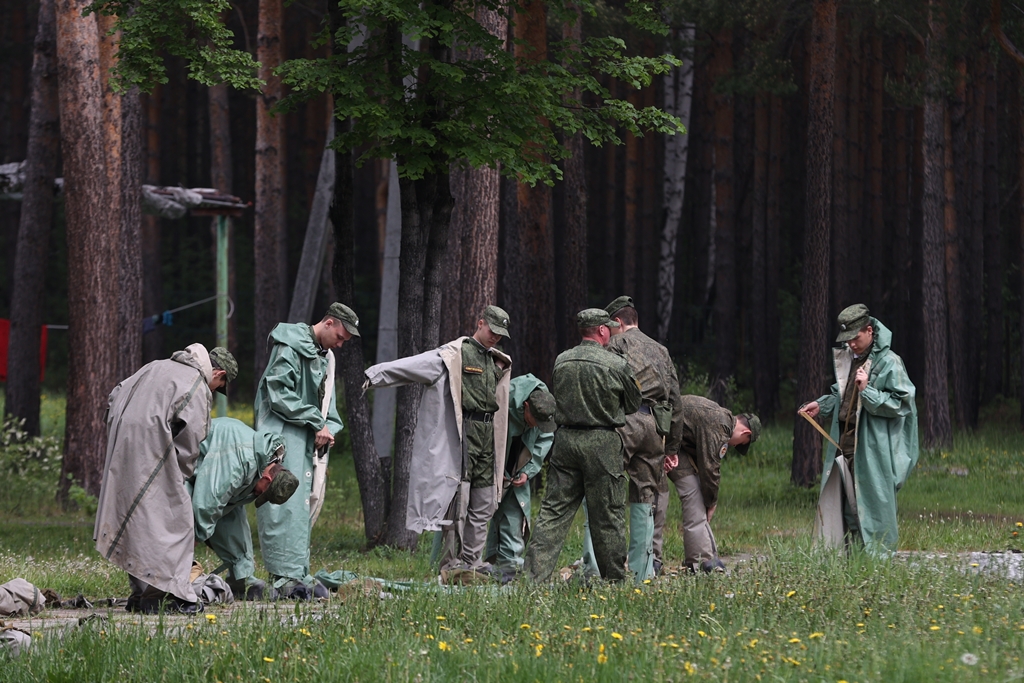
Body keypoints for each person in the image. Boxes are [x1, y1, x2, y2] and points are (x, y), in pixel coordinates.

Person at [363, 306, 513, 574]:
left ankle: (472, 562)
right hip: (462, 432)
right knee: (458, 504)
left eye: (501, 335)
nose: (496, 338)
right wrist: (374, 375)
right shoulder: (454, 354)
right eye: (493, 331)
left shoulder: (497, 361)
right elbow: (414, 365)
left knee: (484, 501)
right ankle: (451, 565)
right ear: (480, 323)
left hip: (488, 435)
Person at [95, 344, 237, 614]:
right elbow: (191, 440)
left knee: (137, 523)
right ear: (217, 373)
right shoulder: (196, 382)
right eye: (220, 385)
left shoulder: (156, 365)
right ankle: (168, 596)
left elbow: (116, 394)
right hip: (152, 448)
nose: (216, 390)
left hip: (121, 446)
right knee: (175, 523)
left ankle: (141, 594)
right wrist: (179, 475)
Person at [523, 308, 641, 583]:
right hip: (602, 443)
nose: (611, 333)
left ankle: (532, 578)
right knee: (607, 514)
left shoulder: (561, 360)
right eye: (609, 329)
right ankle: (614, 579)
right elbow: (634, 403)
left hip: (565, 441)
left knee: (553, 511)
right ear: (601, 330)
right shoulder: (616, 364)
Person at [797, 304, 919, 555]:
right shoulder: (849, 360)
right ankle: (852, 561)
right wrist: (820, 405)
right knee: (847, 507)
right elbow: (841, 395)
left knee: (875, 506)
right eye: (847, 339)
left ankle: (879, 563)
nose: (851, 344)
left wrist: (869, 390)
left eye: (855, 337)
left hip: (874, 448)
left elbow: (901, 404)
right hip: (846, 444)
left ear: (870, 330)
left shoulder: (889, 362)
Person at [255, 303, 355, 599]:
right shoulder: (290, 344)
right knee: (281, 506)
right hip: (282, 437)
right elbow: (278, 393)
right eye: (340, 336)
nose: (340, 343)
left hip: (307, 442)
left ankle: (297, 572)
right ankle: (282, 576)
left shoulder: (326, 358)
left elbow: (330, 410)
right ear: (328, 322)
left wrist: (329, 431)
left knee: (301, 507)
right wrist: (315, 422)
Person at [601, 295, 684, 582]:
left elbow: (605, 382)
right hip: (653, 428)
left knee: (603, 486)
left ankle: (597, 567)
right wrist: (672, 446)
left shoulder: (616, 344)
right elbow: (675, 400)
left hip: (623, 421)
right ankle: (642, 572)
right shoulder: (661, 349)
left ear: (618, 322)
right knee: (644, 496)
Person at [189, 417, 300, 601]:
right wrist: (191, 540)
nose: (257, 495)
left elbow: (225, 506)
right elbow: (207, 503)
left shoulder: (263, 462)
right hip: (180, 469)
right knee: (187, 517)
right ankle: (166, 576)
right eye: (262, 493)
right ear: (268, 479)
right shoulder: (240, 462)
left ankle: (242, 579)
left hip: (210, 478)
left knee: (233, 518)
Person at [655, 396, 759, 574]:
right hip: (657, 438)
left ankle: (700, 560)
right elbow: (709, 469)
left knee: (692, 493)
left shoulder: (719, 418)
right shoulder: (719, 426)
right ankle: (694, 561)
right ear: (745, 434)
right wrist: (711, 503)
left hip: (672, 443)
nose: (735, 446)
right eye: (740, 444)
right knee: (660, 499)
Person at [483, 375, 556, 582]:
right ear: (525, 407)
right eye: (534, 422)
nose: (537, 426)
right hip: (488, 468)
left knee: (514, 516)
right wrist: (495, 471)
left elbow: (545, 437)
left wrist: (528, 470)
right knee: (476, 515)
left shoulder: (544, 406)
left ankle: (508, 568)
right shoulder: (503, 399)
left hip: (517, 470)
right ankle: (463, 567)